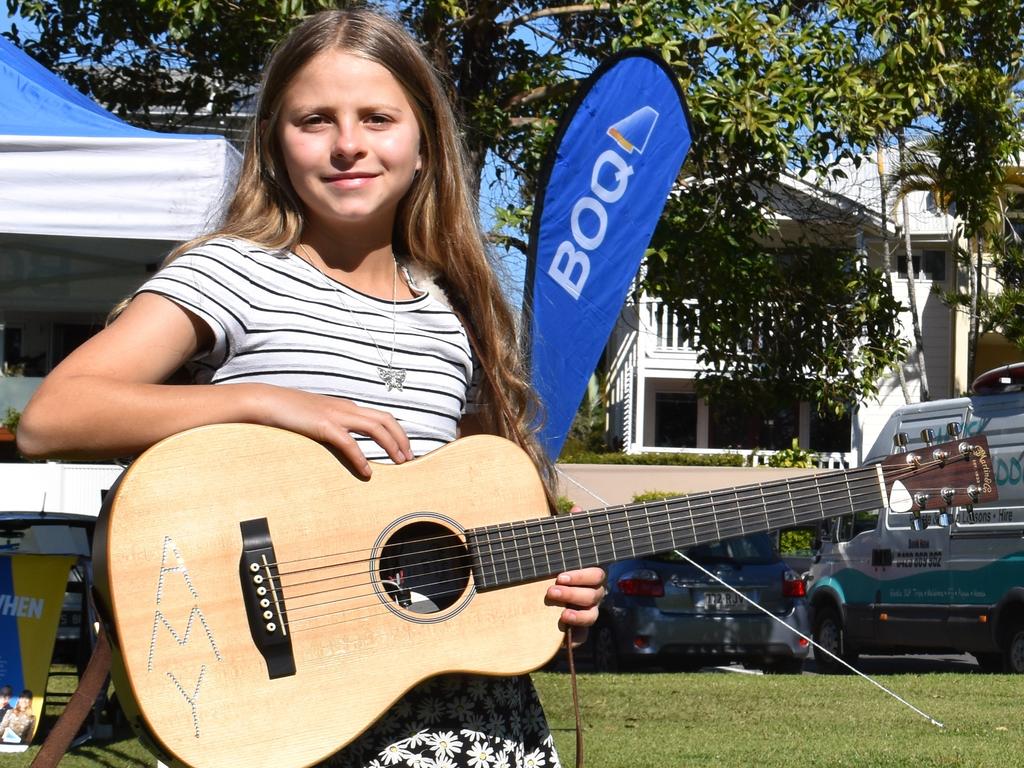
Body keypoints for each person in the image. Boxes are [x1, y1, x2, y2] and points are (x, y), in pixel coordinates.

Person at [17, 7, 605, 767]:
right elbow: (52, 417)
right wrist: (262, 401)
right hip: (285, 714)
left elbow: (443, 520)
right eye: (314, 120)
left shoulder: (456, 310)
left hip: (466, 718)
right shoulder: (236, 271)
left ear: (424, 143)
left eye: (378, 118)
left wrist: (549, 590)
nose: (349, 143)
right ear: (273, 143)